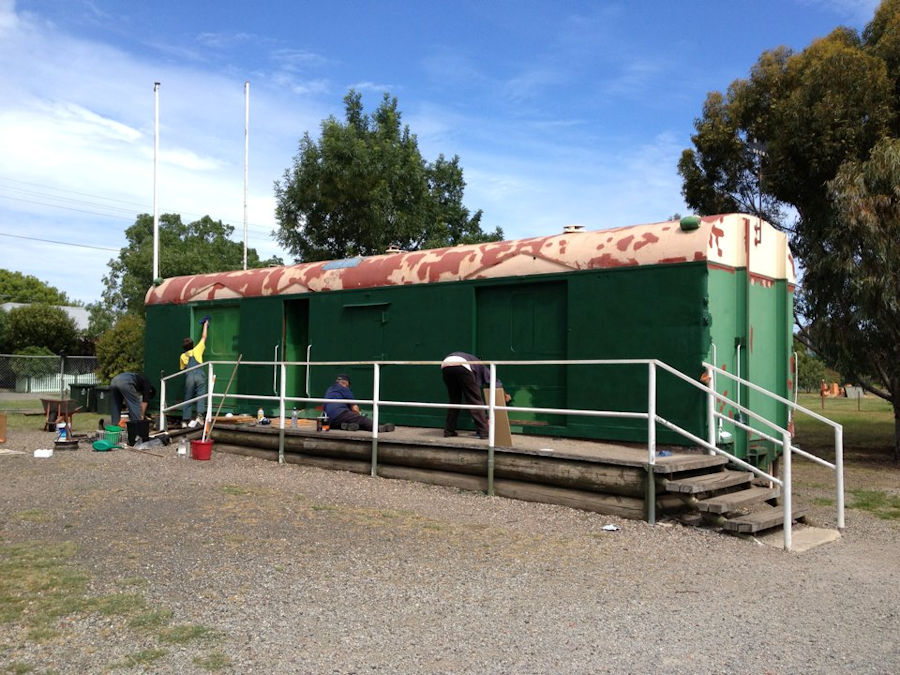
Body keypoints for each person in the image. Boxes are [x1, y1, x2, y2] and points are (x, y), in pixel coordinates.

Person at [441, 351, 510, 439]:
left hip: (445, 365)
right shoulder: (481, 366)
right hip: (462, 365)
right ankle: (484, 432)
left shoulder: (472, 361)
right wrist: (504, 395)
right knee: (475, 400)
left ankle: (448, 431)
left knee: (454, 401)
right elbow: (494, 382)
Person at [323, 374, 394, 432]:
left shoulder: (330, 389)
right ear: (345, 383)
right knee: (360, 419)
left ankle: (345, 426)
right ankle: (378, 428)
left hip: (328, 419)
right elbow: (354, 407)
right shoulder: (344, 389)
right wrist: (359, 414)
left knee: (352, 421)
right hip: (339, 413)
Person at [180, 316, 209, 428]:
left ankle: (185, 420)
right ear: (192, 345)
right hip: (199, 375)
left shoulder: (182, 356)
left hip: (189, 376)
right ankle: (199, 417)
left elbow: (182, 369)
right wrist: (205, 324)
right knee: (200, 395)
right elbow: (204, 337)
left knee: (187, 397)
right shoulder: (197, 349)